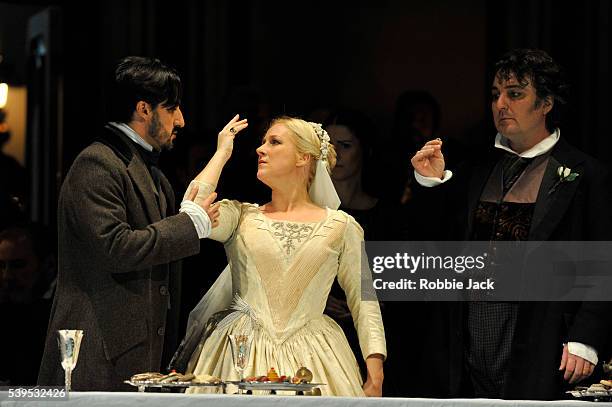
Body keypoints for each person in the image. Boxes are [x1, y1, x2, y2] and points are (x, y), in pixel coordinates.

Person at [411, 49, 612, 399]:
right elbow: (434, 244)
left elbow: (605, 259)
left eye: (515, 93)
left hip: (541, 337)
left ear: (546, 103)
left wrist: (586, 338)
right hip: (471, 335)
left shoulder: (586, 174)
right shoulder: (474, 167)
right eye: (495, 95)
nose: (501, 104)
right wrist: (432, 183)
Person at [38, 56, 220, 391]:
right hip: (98, 350)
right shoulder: (96, 163)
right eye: (172, 108)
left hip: (137, 353)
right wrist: (189, 224)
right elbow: (115, 247)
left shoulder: (150, 171)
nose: (181, 120)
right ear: (144, 109)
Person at [173, 116, 386, 396]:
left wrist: (375, 374)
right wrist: (222, 152)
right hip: (240, 352)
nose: (261, 149)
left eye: (274, 142)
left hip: (313, 355)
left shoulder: (341, 226)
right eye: (262, 143)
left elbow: (364, 300)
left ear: (304, 157)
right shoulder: (240, 215)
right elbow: (192, 211)